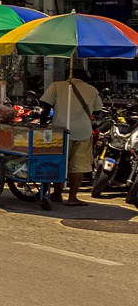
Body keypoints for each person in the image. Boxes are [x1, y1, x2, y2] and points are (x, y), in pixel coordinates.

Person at [41, 69, 102, 206]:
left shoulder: (56, 86)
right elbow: (98, 110)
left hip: (60, 132)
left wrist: (43, 125)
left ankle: (57, 194)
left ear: (69, 75)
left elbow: (45, 107)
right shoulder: (92, 90)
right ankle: (72, 197)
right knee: (78, 166)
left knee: (59, 163)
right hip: (83, 132)